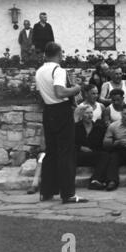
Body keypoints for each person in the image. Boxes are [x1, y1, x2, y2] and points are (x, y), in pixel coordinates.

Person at [35, 42, 87, 203]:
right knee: (66, 152)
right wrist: (76, 89)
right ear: (59, 54)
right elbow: (60, 92)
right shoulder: (58, 70)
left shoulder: (39, 71)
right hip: (61, 111)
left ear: (45, 54)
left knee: (51, 152)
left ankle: (47, 191)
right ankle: (68, 194)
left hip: (48, 111)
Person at [75, 105, 116, 190]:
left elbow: (102, 144)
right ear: (82, 114)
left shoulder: (99, 128)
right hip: (78, 155)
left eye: (91, 113)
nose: (90, 115)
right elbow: (69, 143)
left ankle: (95, 181)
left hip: (92, 154)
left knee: (105, 155)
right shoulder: (75, 127)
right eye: (87, 113)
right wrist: (80, 148)